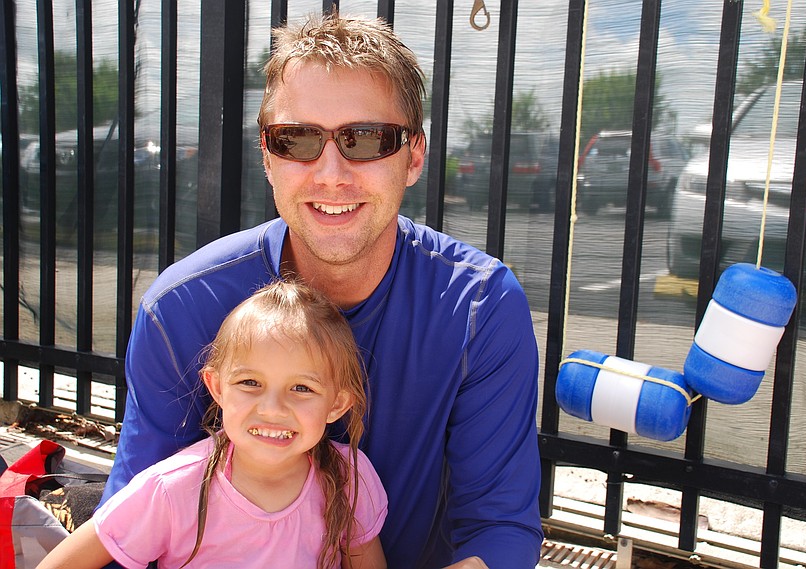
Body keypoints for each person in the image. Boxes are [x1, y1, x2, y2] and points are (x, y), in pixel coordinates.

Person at [101, 12, 543, 569]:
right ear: (267, 155)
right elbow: (125, 535)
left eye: (366, 139)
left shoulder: (478, 308)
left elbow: (499, 528)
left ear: (414, 156)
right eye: (297, 139)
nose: (331, 173)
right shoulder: (182, 309)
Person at [38, 280, 387, 569]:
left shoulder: (349, 478)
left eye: (302, 388)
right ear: (217, 387)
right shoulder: (172, 489)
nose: (273, 408)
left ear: (337, 404)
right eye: (250, 383)